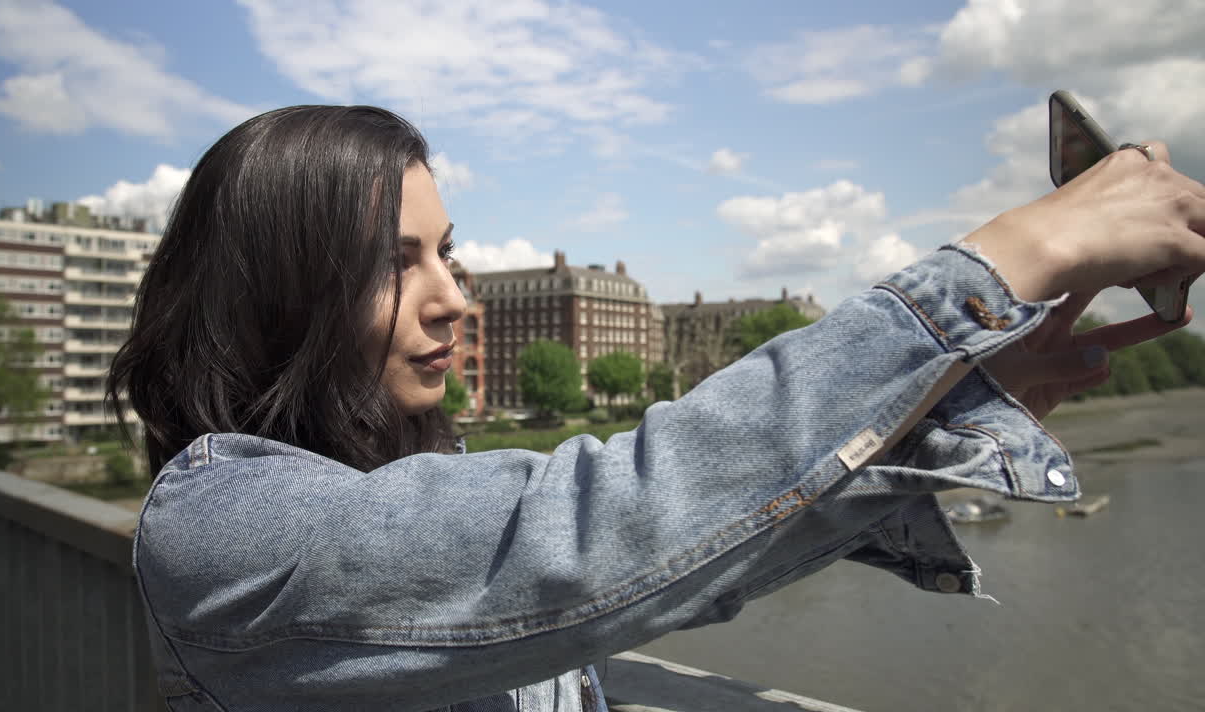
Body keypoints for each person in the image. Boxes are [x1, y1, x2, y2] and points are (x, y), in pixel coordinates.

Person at [108, 105, 1204, 712]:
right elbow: (592, 538)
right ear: (281, 289)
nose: (456, 297)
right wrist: (1007, 258)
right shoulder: (221, 527)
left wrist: (963, 392)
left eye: (447, 252)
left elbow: (688, 561)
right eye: (395, 264)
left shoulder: (387, 491)